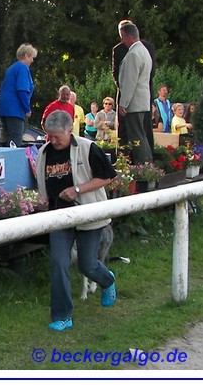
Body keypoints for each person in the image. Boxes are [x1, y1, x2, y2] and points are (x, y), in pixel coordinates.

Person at [36, 110, 117, 331]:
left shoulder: (88, 148)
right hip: (59, 217)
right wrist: (42, 198)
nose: (53, 141)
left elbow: (107, 177)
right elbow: (43, 181)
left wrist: (77, 189)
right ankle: (62, 315)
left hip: (87, 213)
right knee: (59, 263)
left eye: (57, 137)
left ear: (69, 130)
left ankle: (107, 280)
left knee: (87, 264)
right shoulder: (44, 152)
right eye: (49, 136)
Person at [112, 19, 156, 151]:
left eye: (122, 36)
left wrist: (123, 103)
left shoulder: (133, 53)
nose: (122, 39)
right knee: (141, 135)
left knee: (137, 137)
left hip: (134, 102)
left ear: (128, 36)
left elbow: (129, 81)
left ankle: (143, 162)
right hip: (143, 99)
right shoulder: (144, 50)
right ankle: (146, 161)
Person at [0, 43, 37, 146]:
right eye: (31, 57)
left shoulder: (11, 68)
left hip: (4, 109)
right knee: (16, 137)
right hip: (15, 109)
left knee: (6, 138)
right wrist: (27, 109)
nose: (32, 60)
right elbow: (22, 90)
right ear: (26, 55)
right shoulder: (23, 68)